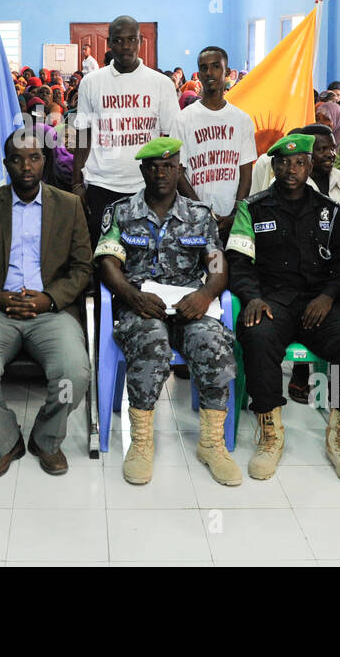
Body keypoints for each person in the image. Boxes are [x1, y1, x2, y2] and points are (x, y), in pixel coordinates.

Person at [94, 138, 240, 486]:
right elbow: (108, 262)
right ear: (143, 170)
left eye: (169, 166)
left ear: (179, 170)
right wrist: (132, 296)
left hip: (190, 303)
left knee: (213, 342)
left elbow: (218, 265)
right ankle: (142, 442)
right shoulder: (121, 212)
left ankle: (211, 443)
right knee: (151, 342)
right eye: (154, 167)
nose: (161, 173)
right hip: (141, 304)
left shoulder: (199, 215)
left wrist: (205, 295)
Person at [226, 133, 340, 486]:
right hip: (271, 301)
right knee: (257, 337)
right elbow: (238, 262)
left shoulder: (328, 210)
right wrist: (251, 297)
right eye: (284, 163)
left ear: (309, 166)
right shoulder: (252, 208)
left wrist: (328, 296)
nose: (292, 169)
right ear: (273, 167)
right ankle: (270, 434)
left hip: (317, 303)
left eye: (299, 163)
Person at [0, 128, 93, 477]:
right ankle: (5, 440)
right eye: (17, 159)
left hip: (50, 310)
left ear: (44, 161)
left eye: (33, 157)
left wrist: (49, 299)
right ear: (6, 164)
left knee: (73, 374)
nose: (26, 166)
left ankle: (47, 438)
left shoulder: (69, 205)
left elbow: (82, 268)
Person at [72, 15, 180, 243]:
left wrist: (171, 186)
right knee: (102, 253)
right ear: (110, 43)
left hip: (146, 186)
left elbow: (172, 140)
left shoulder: (161, 84)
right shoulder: (91, 82)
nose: (126, 46)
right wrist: (77, 184)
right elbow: (83, 134)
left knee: (146, 254)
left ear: (140, 41)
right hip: (101, 184)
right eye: (119, 40)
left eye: (132, 39)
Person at [171, 46, 256, 238]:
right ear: (198, 75)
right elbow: (178, 173)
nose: (209, 72)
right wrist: (203, 213)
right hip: (193, 217)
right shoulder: (183, 119)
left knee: (230, 266)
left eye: (216, 66)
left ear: (226, 72)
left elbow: (246, 172)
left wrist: (236, 212)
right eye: (203, 68)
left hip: (231, 217)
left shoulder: (242, 120)